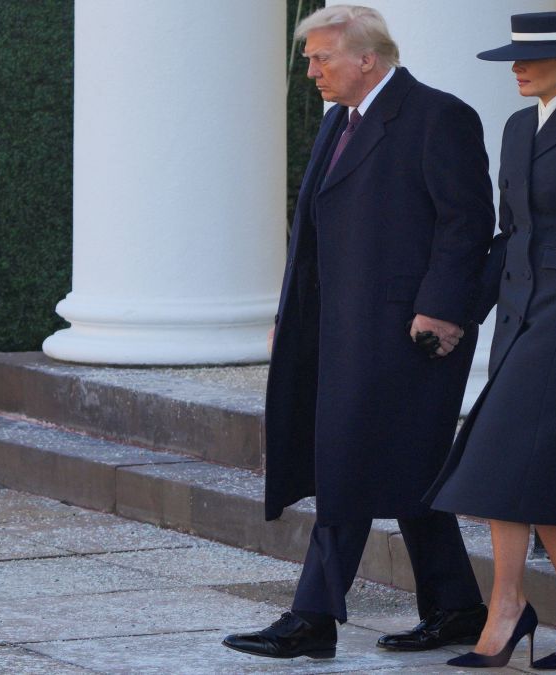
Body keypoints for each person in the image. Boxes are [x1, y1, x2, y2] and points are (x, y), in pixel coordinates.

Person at [222, 5, 495, 661]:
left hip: (410, 333)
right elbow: (310, 239)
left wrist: (442, 310)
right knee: (410, 470)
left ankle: (313, 617)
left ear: (367, 59)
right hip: (339, 329)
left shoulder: (437, 116)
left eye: (322, 58)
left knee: (349, 462)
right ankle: (457, 607)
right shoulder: (338, 123)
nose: (311, 70)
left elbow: (467, 224)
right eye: (310, 58)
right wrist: (288, 317)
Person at [425, 11, 556, 670]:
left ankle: (509, 607)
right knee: (535, 471)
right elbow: (510, 234)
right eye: (514, 59)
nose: (516, 70)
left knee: (497, 457)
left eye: (531, 60)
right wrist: (461, 311)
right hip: (518, 317)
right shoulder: (519, 128)